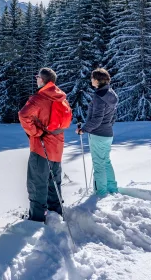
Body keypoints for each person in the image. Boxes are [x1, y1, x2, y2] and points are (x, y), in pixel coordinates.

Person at [18, 67, 72, 223]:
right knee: (54, 180)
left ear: (42, 80)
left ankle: (36, 218)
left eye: (37, 77)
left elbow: (23, 115)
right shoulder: (60, 96)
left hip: (41, 146)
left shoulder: (39, 97)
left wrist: (35, 132)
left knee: (37, 182)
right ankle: (56, 211)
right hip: (57, 145)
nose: (36, 79)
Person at [77, 68, 119, 196]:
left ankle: (101, 192)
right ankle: (112, 188)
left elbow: (97, 119)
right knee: (106, 161)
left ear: (97, 80)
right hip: (108, 133)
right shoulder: (111, 94)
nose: (91, 80)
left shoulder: (99, 97)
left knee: (99, 164)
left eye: (92, 78)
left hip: (98, 134)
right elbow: (113, 116)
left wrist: (83, 129)